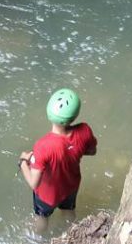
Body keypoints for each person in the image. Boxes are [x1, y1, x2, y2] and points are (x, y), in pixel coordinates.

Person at [19, 88, 97, 232]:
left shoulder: (43, 146)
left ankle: (38, 239)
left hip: (46, 196)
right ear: (74, 116)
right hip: (70, 187)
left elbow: (33, 183)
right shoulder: (85, 131)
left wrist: (23, 162)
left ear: (49, 112)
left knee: (42, 218)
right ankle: (72, 234)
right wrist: (74, 151)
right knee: (69, 211)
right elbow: (92, 151)